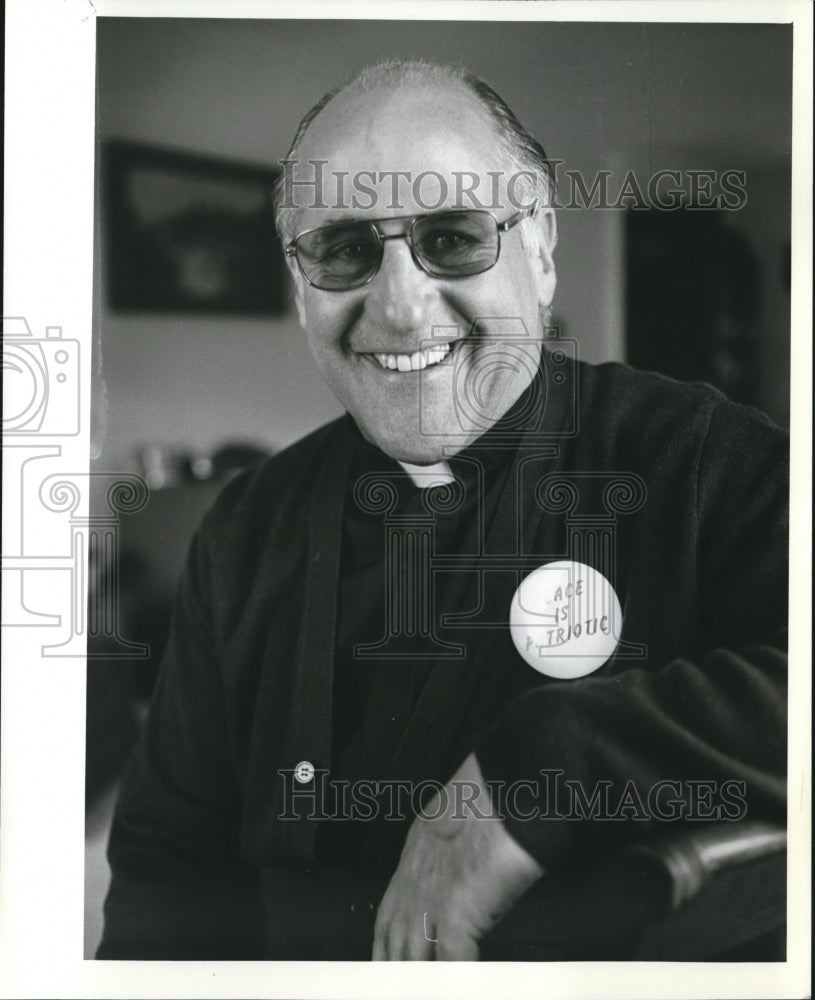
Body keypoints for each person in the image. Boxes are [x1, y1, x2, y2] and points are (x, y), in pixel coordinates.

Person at [98, 59, 788, 962]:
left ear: (540, 251)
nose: (398, 304)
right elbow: (166, 862)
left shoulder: (703, 458)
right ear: (302, 288)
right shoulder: (245, 525)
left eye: (454, 236)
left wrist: (549, 762)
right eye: (343, 249)